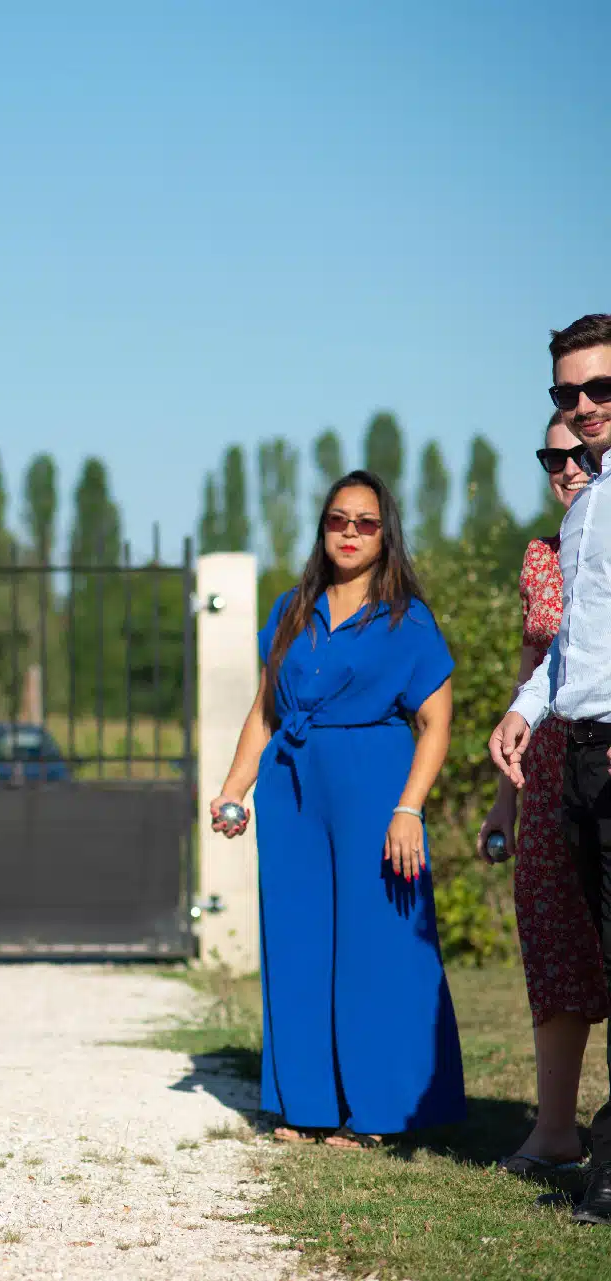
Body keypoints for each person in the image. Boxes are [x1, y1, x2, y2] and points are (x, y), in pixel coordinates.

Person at [211, 469, 463, 1145]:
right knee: (298, 942)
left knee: (373, 947)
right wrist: (235, 787)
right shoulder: (291, 609)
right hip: (292, 790)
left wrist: (408, 808)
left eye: (366, 522)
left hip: (373, 787)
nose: (349, 532)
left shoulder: (407, 619)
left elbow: (436, 721)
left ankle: (377, 1109)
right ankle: (306, 1103)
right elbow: (266, 710)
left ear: (386, 536)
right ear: (323, 528)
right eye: (337, 519)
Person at [490, 313, 611, 1225]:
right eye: (567, 397)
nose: (579, 416)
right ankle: (573, 1136)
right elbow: (568, 653)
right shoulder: (578, 527)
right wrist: (524, 713)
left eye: (598, 391)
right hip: (574, 759)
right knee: (573, 948)